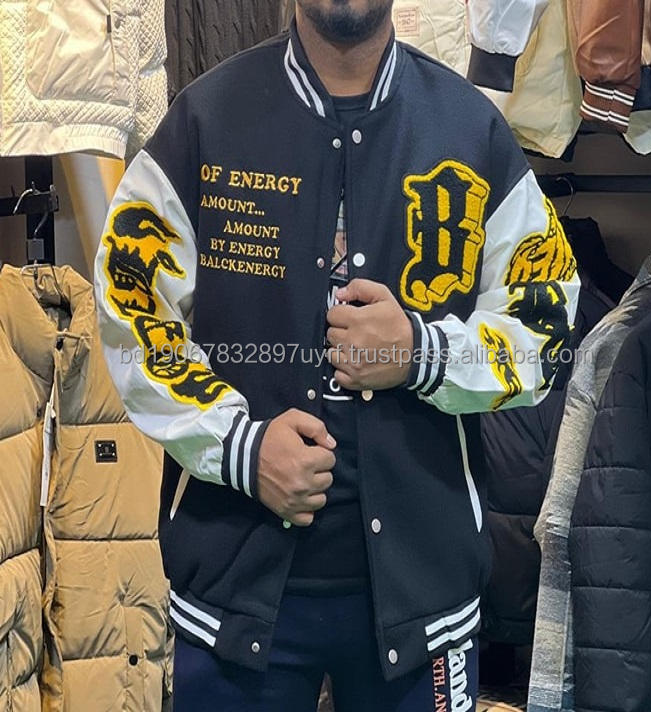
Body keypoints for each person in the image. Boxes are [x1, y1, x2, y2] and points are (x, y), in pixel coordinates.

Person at [93, 1, 580, 709]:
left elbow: (546, 322)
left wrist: (424, 354)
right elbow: (131, 311)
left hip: (425, 598)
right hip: (235, 592)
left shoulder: (469, 128)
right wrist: (240, 447)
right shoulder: (205, 120)